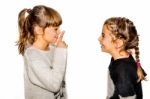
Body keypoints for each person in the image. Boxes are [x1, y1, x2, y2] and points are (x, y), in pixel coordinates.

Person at [16, 5, 67, 99]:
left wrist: (59, 50)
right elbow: (54, 85)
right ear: (39, 30)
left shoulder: (53, 49)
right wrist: (61, 51)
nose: (59, 32)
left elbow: (61, 84)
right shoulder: (32, 56)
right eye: (56, 29)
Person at [98, 17, 147, 99]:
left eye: (103, 35)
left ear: (118, 43)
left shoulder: (123, 70)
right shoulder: (118, 60)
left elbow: (128, 97)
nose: (99, 38)